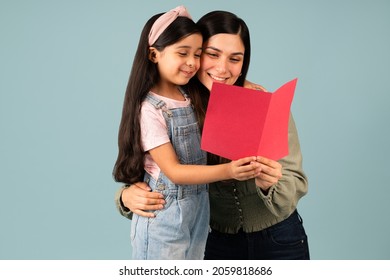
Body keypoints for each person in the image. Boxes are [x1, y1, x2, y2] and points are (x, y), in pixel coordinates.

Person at [115, 10, 310, 260]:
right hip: (212, 243)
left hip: (279, 238)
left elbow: (295, 181)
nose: (222, 68)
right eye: (212, 54)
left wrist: (270, 184)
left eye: (235, 59)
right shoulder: (175, 108)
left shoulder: (264, 105)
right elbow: (159, 173)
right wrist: (125, 196)